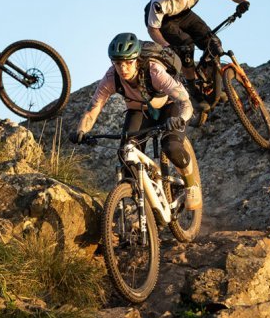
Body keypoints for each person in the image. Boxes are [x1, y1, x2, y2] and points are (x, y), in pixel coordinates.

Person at [70, 32, 201, 210]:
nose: (123, 68)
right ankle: (138, 206)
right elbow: (93, 109)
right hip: (139, 111)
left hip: (169, 107)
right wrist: (81, 131)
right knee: (126, 155)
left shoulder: (154, 71)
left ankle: (191, 184)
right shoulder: (111, 78)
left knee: (171, 146)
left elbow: (185, 101)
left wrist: (181, 119)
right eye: (117, 63)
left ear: (137, 59)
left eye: (128, 63)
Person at [145, 0, 249, 104]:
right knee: (187, 47)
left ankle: (212, 84)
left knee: (214, 44)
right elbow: (152, 29)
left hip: (185, 14)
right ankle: (193, 88)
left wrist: (243, 2)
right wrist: (165, 45)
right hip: (164, 22)